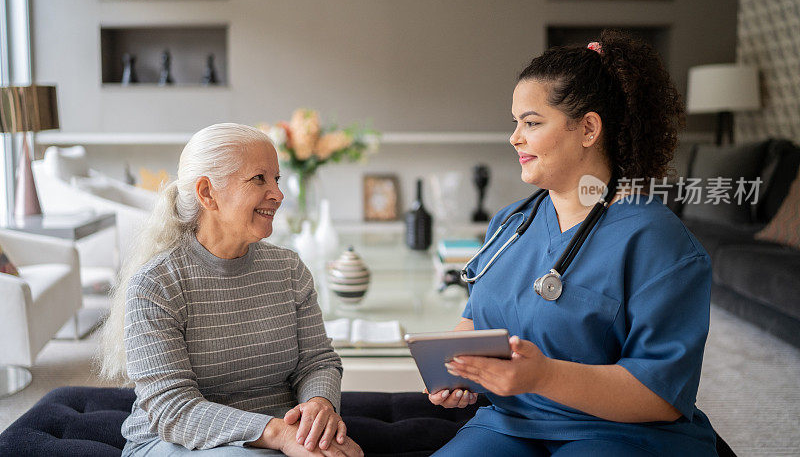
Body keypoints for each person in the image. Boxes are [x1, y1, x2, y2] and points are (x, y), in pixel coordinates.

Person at [428, 30, 719, 456]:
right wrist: (457, 370)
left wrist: (543, 377)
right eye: (515, 123)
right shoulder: (510, 224)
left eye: (531, 123)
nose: (515, 138)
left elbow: (660, 394)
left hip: (622, 433)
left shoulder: (659, 242)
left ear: (588, 129)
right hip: (510, 424)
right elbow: (477, 319)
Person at [99, 123, 363, 457]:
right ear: (207, 193)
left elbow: (317, 361)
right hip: (176, 440)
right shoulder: (156, 284)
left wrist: (317, 406)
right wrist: (279, 434)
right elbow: (173, 410)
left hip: (280, 433)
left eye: (276, 179)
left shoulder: (289, 269)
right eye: (259, 179)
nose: (278, 195)